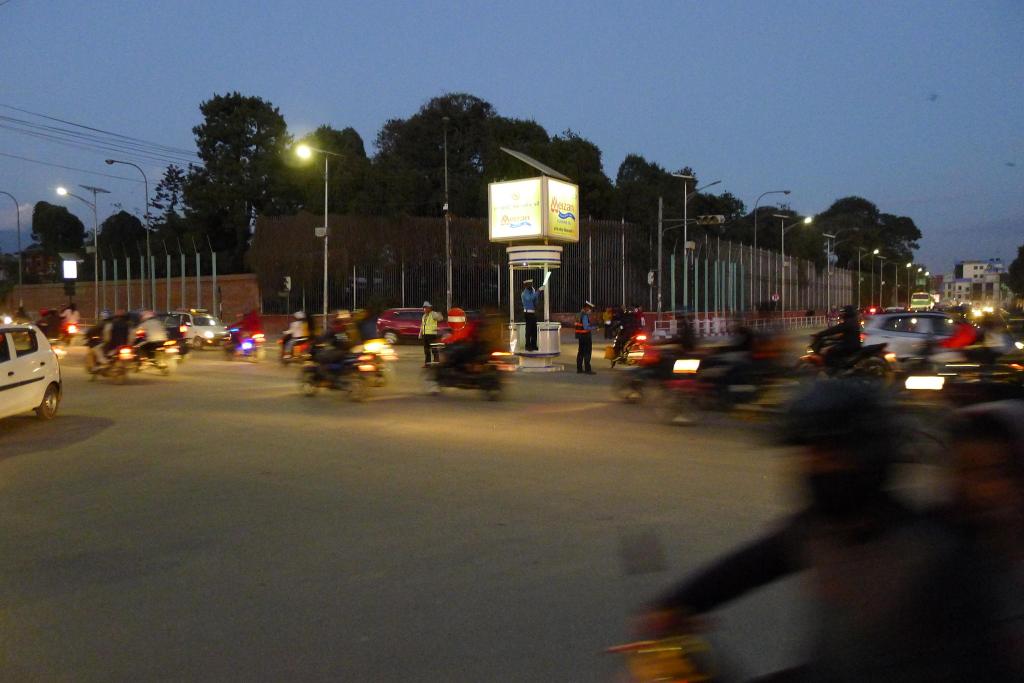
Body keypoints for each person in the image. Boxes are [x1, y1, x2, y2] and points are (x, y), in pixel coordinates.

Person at [639, 380, 999, 682]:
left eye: (829, 456)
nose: (814, 469)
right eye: (808, 455)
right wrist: (674, 606)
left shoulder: (932, 554)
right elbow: (750, 566)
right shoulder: (819, 530)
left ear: (869, 457)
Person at [813, 304, 861, 369]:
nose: (842, 313)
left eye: (844, 312)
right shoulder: (852, 320)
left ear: (848, 313)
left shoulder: (849, 322)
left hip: (850, 346)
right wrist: (831, 338)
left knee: (829, 352)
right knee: (831, 347)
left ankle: (838, 369)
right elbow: (846, 334)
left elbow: (835, 329)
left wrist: (820, 334)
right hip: (851, 344)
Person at [521, 279, 545, 352]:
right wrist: (538, 291)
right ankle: (527, 346)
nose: (531, 285)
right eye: (529, 284)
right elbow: (530, 298)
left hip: (533, 313)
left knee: (534, 330)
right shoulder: (524, 293)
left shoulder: (532, 290)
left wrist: (537, 294)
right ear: (526, 285)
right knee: (529, 330)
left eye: (531, 284)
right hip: (528, 313)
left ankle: (533, 345)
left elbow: (535, 300)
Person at [418, 301, 444, 366]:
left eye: (427, 307)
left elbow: (441, 318)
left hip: (432, 334)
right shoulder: (424, 316)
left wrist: (439, 313)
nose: (425, 309)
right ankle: (427, 364)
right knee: (426, 350)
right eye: (424, 308)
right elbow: (422, 325)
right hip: (425, 335)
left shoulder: (433, 314)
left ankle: (436, 362)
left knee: (434, 349)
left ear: (430, 308)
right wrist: (420, 333)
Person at [574, 301, 597, 374]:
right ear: (586, 308)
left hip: (580, 336)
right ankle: (588, 369)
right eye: (590, 309)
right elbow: (586, 327)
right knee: (587, 353)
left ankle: (579, 369)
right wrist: (594, 328)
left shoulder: (578, 315)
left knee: (580, 352)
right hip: (586, 336)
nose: (590, 311)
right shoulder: (584, 316)